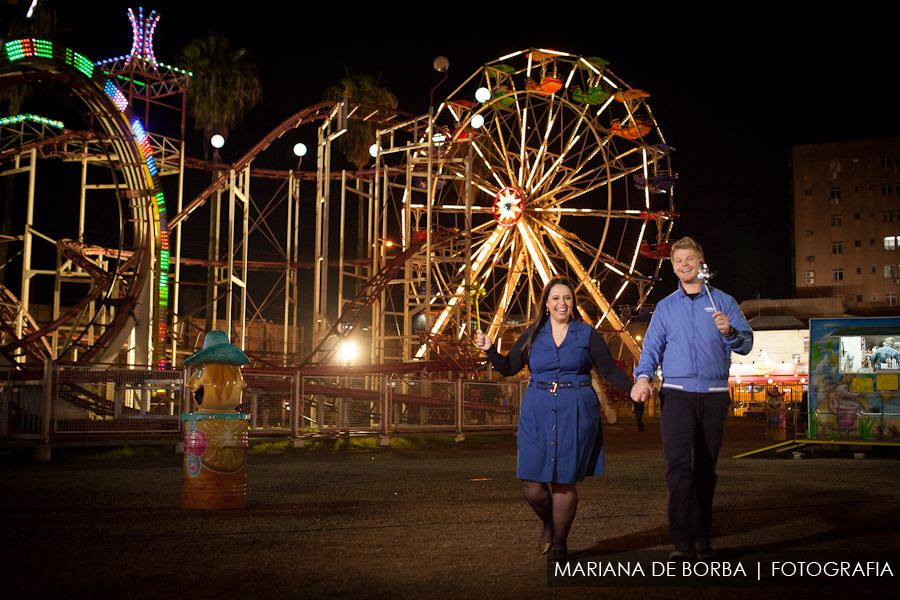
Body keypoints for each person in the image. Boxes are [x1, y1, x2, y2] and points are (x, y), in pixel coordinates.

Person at [474, 276, 639, 563]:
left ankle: (560, 543)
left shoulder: (586, 334)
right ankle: (549, 521)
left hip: (576, 407)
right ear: (546, 304)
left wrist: (633, 387)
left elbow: (609, 370)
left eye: (567, 298)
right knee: (530, 483)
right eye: (556, 298)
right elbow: (510, 367)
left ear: (572, 303)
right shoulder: (531, 336)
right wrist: (490, 349)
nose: (562, 303)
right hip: (536, 409)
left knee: (564, 482)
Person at [630, 237, 752, 560]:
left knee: (705, 469)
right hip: (677, 394)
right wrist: (643, 377)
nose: (684, 265)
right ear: (673, 267)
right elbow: (651, 348)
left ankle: (703, 533)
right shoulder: (666, 308)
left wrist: (730, 334)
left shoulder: (724, 302)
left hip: (714, 395)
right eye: (678, 261)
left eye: (690, 259)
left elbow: (746, 344)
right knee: (678, 467)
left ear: (701, 262)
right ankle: (682, 540)